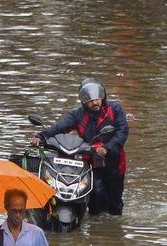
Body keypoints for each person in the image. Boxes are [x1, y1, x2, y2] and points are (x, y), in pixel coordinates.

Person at [31, 78, 129, 216]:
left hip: (114, 162)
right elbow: (60, 127)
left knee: (115, 201)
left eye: (97, 98)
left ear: (103, 96)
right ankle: (95, 225)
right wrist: (41, 136)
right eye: (89, 100)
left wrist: (107, 148)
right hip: (91, 162)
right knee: (95, 195)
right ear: (83, 101)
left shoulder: (115, 110)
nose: (94, 102)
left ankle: (113, 229)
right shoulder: (77, 114)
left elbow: (122, 132)